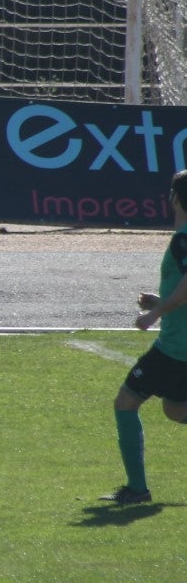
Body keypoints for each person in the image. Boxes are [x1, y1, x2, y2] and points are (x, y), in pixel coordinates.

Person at [102, 169, 187, 505]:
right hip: (181, 344)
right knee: (176, 410)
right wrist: (160, 302)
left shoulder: (183, 239)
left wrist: (155, 313)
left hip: (176, 348)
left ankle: (137, 489)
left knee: (126, 402)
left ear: (175, 198)